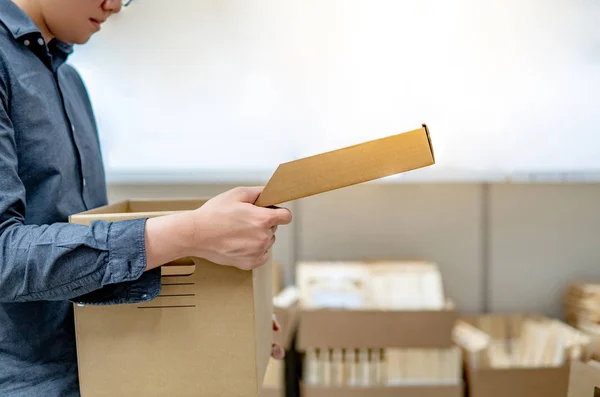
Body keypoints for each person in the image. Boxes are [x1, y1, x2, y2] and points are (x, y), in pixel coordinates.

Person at [0, 0, 292, 395]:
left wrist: (232, 312)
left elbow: (83, 266)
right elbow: (4, 259)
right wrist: (190, 232)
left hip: (99, 370)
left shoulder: (68, 82)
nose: (115, 6)